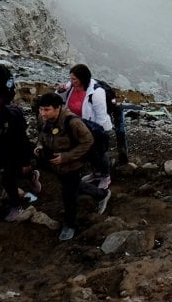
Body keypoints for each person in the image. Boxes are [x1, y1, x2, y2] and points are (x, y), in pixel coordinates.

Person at [34, 92, 111, 241]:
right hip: (55, 163)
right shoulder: (43, 119)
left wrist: (66, 157)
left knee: (68, 195)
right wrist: (39, 146)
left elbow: (87, 141)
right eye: (41, 109)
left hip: (72, 164)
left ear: (57, 108)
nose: (43, 113)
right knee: (73, 185)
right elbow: (42, 135)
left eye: (47, 109)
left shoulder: (73, 123)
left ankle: (70, 225)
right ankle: (102, 194)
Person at [58, 64, 113, 189]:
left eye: (74, 79)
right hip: (78, 126)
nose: (71, 81)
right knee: (87, 153)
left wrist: (98, 134)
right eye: (71, 79)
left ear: (82, 79)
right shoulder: (71, 86)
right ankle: (95, 173)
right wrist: (61, 90)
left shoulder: (96, 92)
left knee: (98, 153)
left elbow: (101, 115)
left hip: (94, 128)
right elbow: (61, 99)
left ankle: (105, 176)